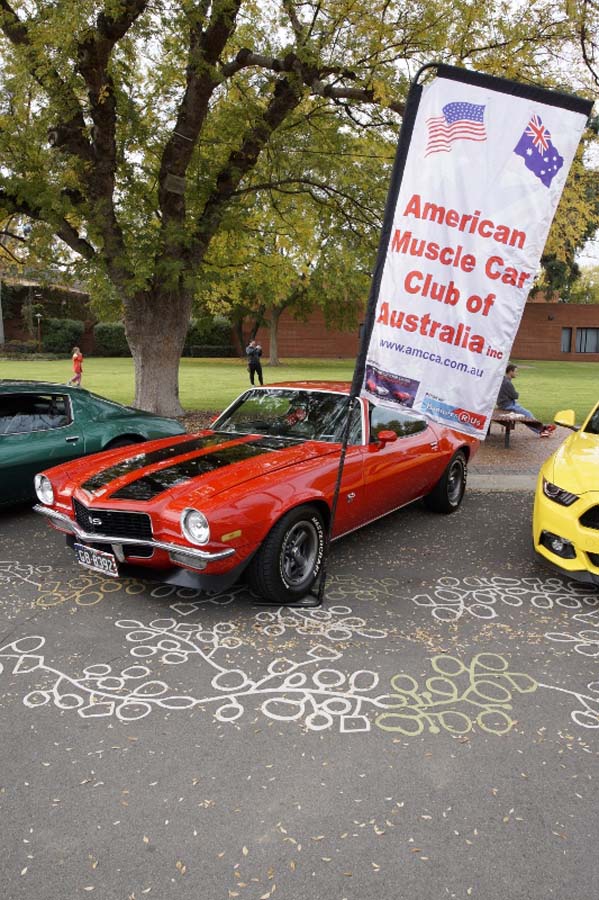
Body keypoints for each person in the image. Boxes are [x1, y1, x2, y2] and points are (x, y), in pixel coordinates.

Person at [496, 363, 556, 437]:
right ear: (510, 372)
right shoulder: (507, 383)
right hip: (507, 405)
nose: (517, 373)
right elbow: (515, 395)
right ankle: (541, 430)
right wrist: (516, 394)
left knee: (527, 414)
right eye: (515, 371)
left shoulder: (504, 380)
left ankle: (543, 428)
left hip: (507, 403)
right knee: (526, 415)